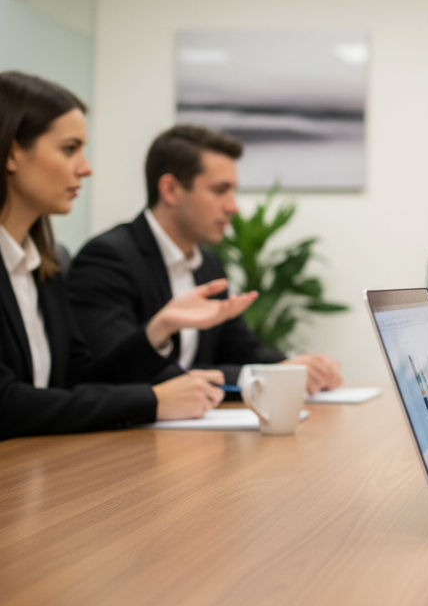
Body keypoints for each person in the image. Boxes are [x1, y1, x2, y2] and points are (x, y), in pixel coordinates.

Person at [0, 71, 250, 439]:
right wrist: (152, 400)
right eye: (69, 149)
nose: (85, 168)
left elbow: (82, 378)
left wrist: (156, 330)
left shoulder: (44, 266)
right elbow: (6, 404)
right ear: (12, 153)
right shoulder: (106, 257)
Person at [67, 125, 342, 395]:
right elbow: (117, 371)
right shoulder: (109, 258)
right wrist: (261, 377)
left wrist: (292, 366)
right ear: (171, 190)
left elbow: (241, 349)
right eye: (220, 190)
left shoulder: (208, 263)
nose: (233, 206)